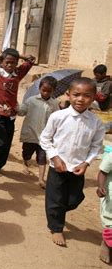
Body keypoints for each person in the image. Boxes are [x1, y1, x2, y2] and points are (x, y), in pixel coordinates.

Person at [40, 78, 105, 247]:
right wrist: (54, 157)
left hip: (77, 168)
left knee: (74, 200)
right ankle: (56, 228)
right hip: (58, 167)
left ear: (93, 98)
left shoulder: (96, 122)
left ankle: (57, 211)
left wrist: (86, 163)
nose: (80, 99)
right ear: (68, 95)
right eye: (76, 94)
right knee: (55, 199)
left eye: (86, 96)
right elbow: (45, 139)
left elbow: (96, 146)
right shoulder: (58, 117)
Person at [0, 48, 35, 177]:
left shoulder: (17, 73)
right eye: (7, 62)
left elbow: (31, 59)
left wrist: (17, 55)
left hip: (11, 114)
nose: (10, 65)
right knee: (0, 141)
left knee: (7, 142)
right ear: (2, 62)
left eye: (13, 62)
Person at [17, 76, 60, 189]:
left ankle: (41, 179)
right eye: (43, 90)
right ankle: (25, 163)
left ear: (53, 91)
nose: (45, 93)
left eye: (49, 91)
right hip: (31, 133)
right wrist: (16, 107)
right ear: (39, 88)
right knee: (27, 152)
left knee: (42, 157)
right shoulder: (31, 100)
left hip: (45, 136)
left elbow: (57, 118)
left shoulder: (55, 103)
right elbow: (22, 112)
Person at [97, 145, 112, 264]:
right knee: (110, 221)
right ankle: (106, 244)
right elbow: (103, 171)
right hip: (111, 196)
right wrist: (101, 187)